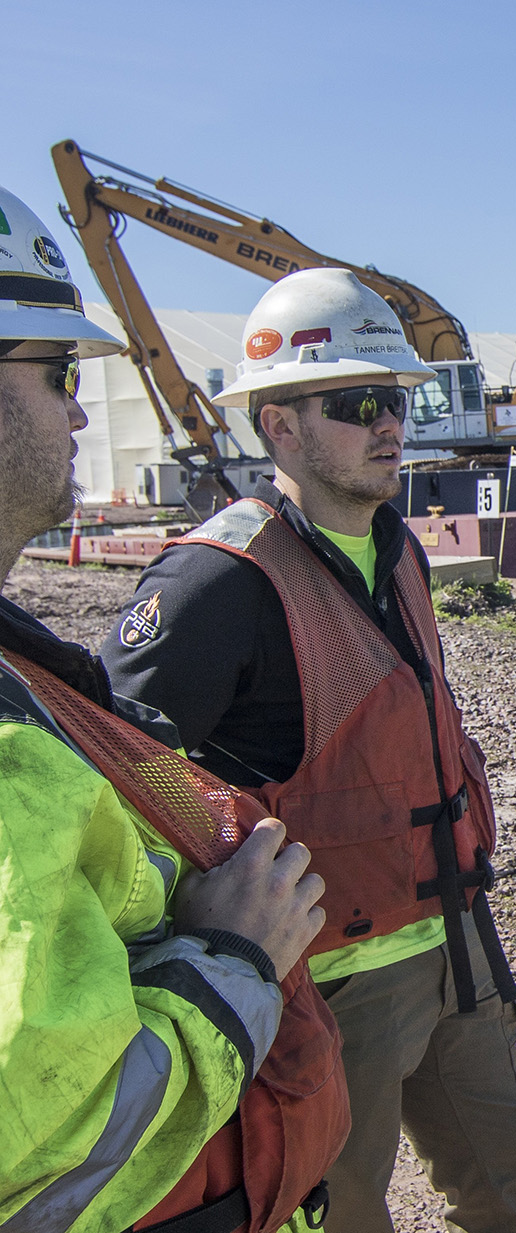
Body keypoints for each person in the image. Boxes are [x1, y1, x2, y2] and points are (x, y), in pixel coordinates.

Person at [103, 269, 516, 1233]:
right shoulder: (213, 584)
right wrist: (196, 936)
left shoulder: (400, 550)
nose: (388, 424)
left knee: (511, 1179)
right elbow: (114, 768)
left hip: (455, 944)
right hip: (330, 980)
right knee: (342, 1211)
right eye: (356, 404)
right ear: (280, 428)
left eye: (395, 400)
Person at [0, 186, 346, 1233]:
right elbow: (41, 1149)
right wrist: (226, 960)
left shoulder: (33, 678)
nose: (78, 410)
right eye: (58, 373)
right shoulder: (211, 582)